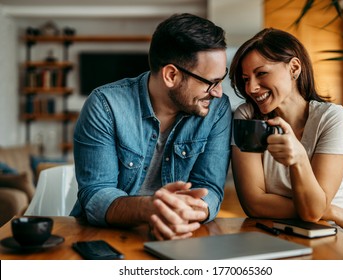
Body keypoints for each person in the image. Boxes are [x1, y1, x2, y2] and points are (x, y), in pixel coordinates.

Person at [70, 13, 232, 241]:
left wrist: (182, 213)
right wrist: (152, 209)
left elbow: (209, 188)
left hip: (184, 234)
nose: (218, 92)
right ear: (171, 75)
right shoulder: (105, 105)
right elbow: (96, 195)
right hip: (104, 238)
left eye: (221, 79)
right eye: (210, 82)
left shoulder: (217, 109)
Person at [229, 28, 343, 258]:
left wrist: (299, 158)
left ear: (294, 68)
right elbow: (254, 203)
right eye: (245, 79)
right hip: (285, 238)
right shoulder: (247, 116)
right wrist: (334, 211)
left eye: (261, 73)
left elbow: (313, 211)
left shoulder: (331, 117)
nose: (250, 88)